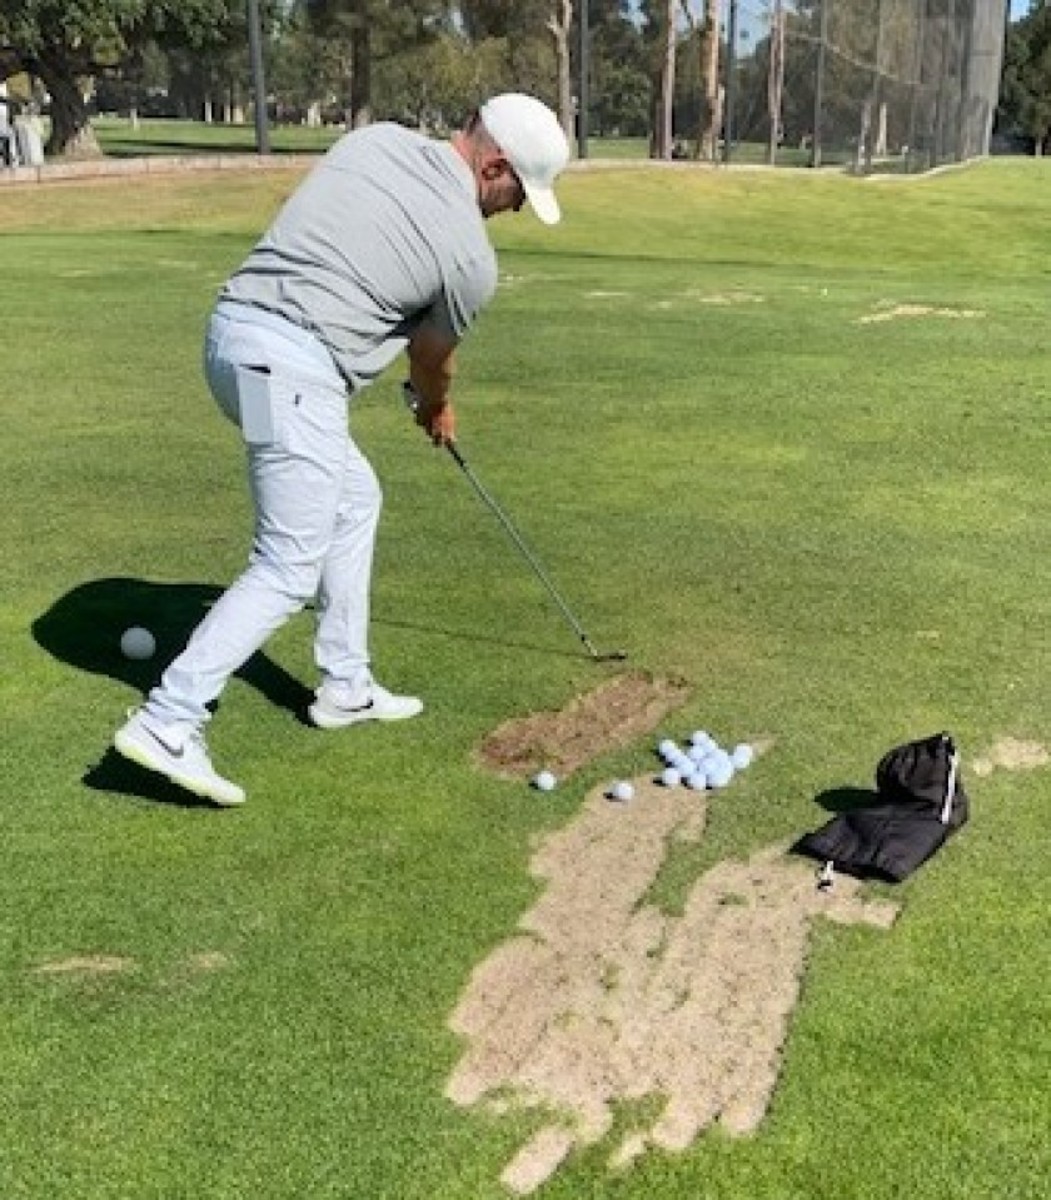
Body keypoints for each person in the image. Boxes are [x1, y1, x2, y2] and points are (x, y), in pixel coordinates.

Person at [114, 93, 571, 807]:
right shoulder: (469, 259)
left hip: (234, 342)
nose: (514, 209)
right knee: (287, 562)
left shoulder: (375, 140)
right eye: (518, 192)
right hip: (293, 371)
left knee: (353, 498)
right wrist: (437, 406)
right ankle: (169, 721)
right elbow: (431, 357)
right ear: (494, 165)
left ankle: (345, 685)